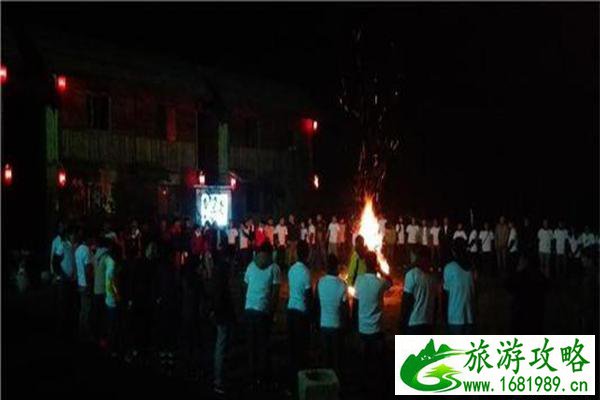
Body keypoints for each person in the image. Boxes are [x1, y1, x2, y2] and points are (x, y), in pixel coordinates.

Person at [244, 241, 281, 389]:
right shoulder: (274, 267)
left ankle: (252, 375)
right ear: (270, 252)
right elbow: (275, 293)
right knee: (264, 344)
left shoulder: (251, 265)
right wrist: (272, 312)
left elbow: (245, 285)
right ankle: (263, 377)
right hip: (262, 309)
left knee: (251, 344)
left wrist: (246, 304)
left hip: (249, 308)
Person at [354, 251, 392, 396]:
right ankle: (378, 389)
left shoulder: (359, 280)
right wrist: (381, 270)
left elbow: (356, 305)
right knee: (377, 361)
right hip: (377, 329)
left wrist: (354, 323)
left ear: (364, 264)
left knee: (364, 361)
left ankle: (363, 388)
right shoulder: (380, 282)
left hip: (363, 328)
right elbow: (390, 281)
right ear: (375, 264)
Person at [315, 254, 348, 376]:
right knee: (336, 360)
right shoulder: (342, 285)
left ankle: (325, 384)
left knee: (325, 358)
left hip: (324, 325)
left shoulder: (320, 282)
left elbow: (316, 304)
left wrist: (316, 324)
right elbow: (345, 309)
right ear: (337, 267)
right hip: (336, 326)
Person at [286, 241, 312, 388]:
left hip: (290, 310)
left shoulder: (291, 270)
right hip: (301, 313)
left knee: (292, 348)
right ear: (306, 253)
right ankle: (302, 380)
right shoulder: (306, 272)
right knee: (302, 348)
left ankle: (292, 379)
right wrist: (311, 316)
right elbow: (308, 296)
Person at [400, 245, 437, 335]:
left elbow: (406, 301)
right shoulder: (432, 278)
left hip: (414, 323)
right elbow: (435, 304)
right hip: (428, 322)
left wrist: (402, 323)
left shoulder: (412, 275)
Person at [506, 254, 547, 334]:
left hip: (520, 316)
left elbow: (508, 286)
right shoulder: (539, 277)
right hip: (534, 318)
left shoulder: (517, 277)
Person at [442, 239, 475, 334]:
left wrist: (444, 317)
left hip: (455, 317)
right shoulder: (471, 269)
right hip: (470, 317)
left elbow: (445, 295)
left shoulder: (450, 268)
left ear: (454, 251)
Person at [55, 228, 76, 338]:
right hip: (64, 279)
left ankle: (68, 329)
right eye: (72, 235)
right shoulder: (63, 245)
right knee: (63, 303)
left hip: (71, 279)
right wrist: (62, 274)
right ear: (68, 235)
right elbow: (56, 260)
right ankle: (61, 330)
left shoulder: (72, 246)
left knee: (69, 304)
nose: (74, 237)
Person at [75, 230, 94, 341]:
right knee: (87, 309)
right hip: (86, 284)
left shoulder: (78, 250)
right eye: (91, 239)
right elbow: (88, 269)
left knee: (82, 309)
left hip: (80, 283)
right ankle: (86, 333)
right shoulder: (86, 250)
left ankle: (80, 330)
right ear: (87, 239)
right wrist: (89, 284)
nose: (92, 241)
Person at [92, 237, 110, 344]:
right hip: (104, 289)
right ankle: (103, 338)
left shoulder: (95, 256)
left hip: (96, 288)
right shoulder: (106, 257)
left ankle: (96, 336)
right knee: (104, 315)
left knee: (97, 314)